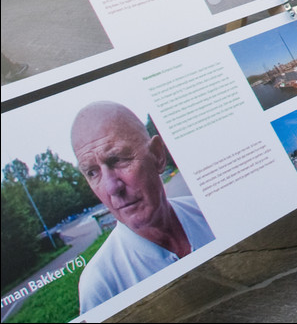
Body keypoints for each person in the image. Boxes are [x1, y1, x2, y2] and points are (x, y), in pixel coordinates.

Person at [71, 101, 215, 313]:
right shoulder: (100, 285)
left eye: (117, 159)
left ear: (158, 155)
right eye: (93, 172)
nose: (112, 187)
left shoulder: (208, 212)